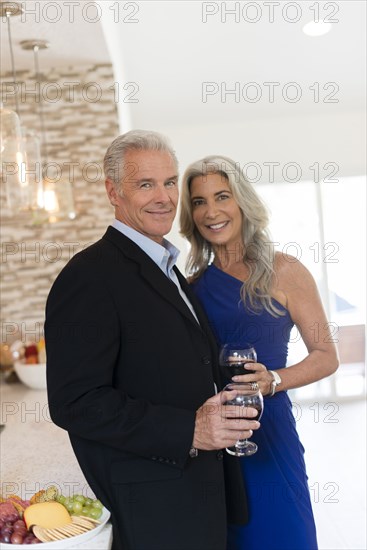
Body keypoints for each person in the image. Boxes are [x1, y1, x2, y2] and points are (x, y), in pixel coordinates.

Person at [44, 132, 261, 550]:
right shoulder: (89, 276)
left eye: (169, 182)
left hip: (198, 492)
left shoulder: (166, 266)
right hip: (155, 505)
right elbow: (75, 402)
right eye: (146, 184)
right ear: (114, 192)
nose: (164, 197)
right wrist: (190, 430)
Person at [179, 155, 339, 550]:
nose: (211, 211)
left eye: (222, 196)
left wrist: (274, 381)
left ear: (242, 202)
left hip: (271, 433)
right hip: (214, 443)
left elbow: (325, 354)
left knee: (286, 536)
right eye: (199, 202)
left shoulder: (285, 271)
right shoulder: (191, 286)